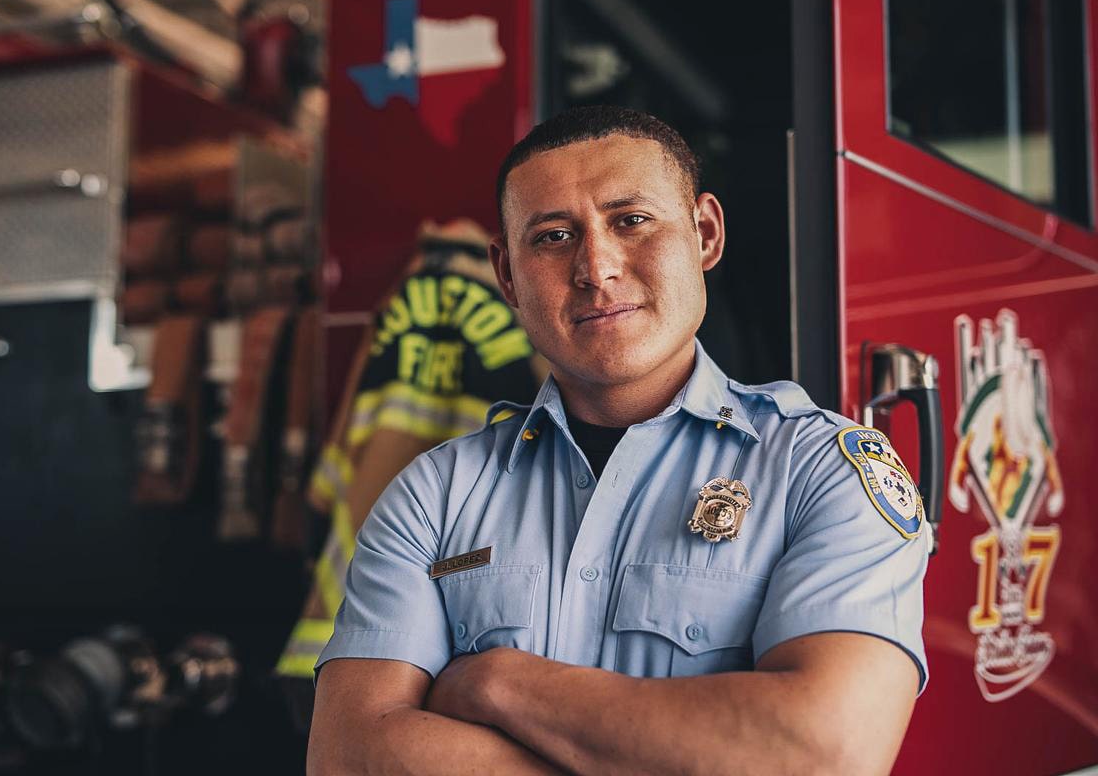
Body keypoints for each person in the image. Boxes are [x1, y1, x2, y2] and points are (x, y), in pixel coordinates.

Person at [308, 106, 929, 775]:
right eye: (551, 237)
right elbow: (350, 758)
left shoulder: (820, 473)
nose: (596, 268)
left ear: (705, 234)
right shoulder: (433, 496)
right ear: (508, 275)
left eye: (631, 221)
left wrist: (495, 683)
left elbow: (822, 753)